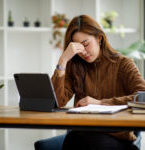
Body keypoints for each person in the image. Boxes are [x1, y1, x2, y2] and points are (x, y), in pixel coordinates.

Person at [35, 15, 145, 150]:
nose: (83, 51)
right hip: (83, 133)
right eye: (78, 47)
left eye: (86, 44)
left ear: (99, 38)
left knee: (80, 141)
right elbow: (57, 102)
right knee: (75, 138)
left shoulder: (123, 64)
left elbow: (143, 97)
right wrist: (63, 61)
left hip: (117, 138)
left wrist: (101, 103)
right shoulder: (74, 66)